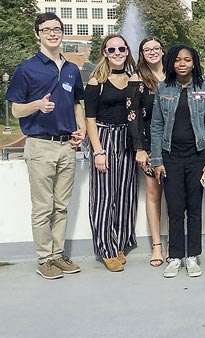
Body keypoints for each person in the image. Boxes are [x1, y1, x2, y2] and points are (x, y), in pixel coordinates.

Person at [6, 13, 85, 279]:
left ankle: (57, 254)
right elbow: (16, 110)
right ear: (37, 34)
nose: (52, 33)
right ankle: (44, 258)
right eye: (46, 29)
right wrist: (37, 105)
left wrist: (80, 128)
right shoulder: (26, 69)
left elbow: (76, 103)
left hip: (66, 146)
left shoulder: (72, 69)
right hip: (40, 145)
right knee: (43, 208)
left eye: (57, 29)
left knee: (61, 206)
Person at [151, 45, 205, 278]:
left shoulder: (204, 88)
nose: (182, 64)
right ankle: (176, 256)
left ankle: (192, 256)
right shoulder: (163, 89)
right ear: (171, 63)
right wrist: (157, 160)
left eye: (187, 60)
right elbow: (157, 126)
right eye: (178, 60)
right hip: (170, 158)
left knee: (194, 208)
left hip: (197, 158)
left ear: (194, 63)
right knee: (175, 208)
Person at [84, 34, 138, 272]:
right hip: (105, 138)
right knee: (104, 197)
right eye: (112, 49)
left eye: (121, 49)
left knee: (125, 195)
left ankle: (120, 243)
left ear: (127, 51)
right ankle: (106, 247)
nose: (117, 53)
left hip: (128, 139)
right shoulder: (97, 80)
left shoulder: (133, 78)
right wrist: (98, 151)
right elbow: (90, 118)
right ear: (105, 53)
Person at [126, 37, 167, 267]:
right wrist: (139, 148)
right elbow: (132, 116)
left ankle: (174, 244)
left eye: (155, 48)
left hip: (175, 146)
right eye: (146, 50)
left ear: (162, 50)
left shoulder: (173, 76)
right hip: (150, 146)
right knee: (154, 196)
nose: (152, 52)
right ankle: (157, 245)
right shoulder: (138, 79)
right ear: (142, 53)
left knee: (174, 197)